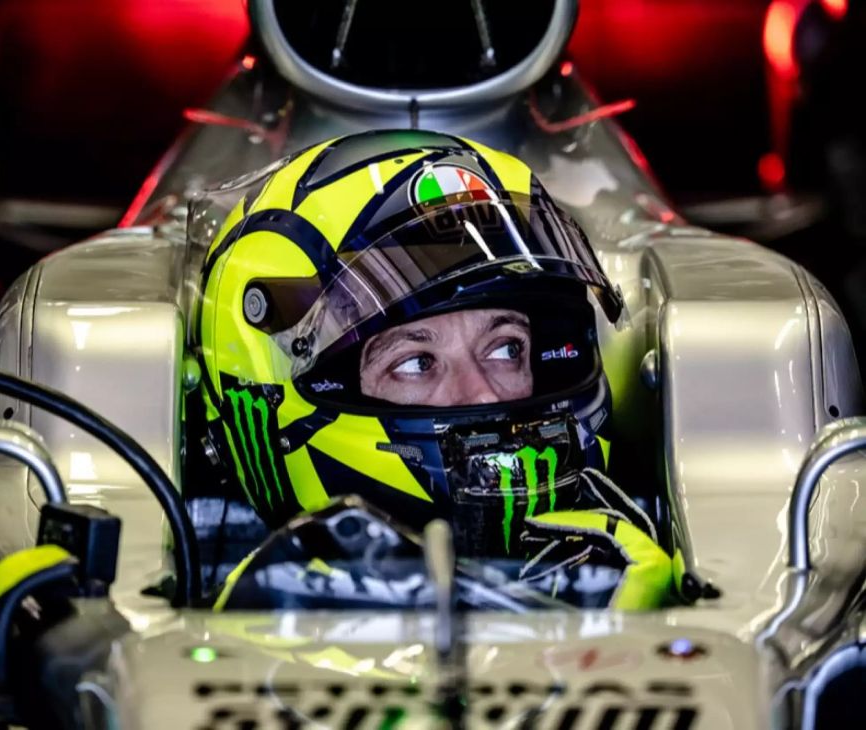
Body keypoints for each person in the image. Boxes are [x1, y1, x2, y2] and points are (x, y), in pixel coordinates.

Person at [194, 130, 680, 609]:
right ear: (264, 393)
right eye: (416, 362)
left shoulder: (643, 576)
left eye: (507, 349)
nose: (486, 397)